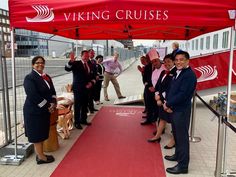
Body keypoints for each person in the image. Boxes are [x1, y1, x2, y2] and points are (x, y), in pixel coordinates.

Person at [164, 51, 197, 175]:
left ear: (188, 61)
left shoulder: (189, 75)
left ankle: (183, 166)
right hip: (175, 109)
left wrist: (168, 104)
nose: (178, 62)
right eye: (177, 59)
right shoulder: (179, 72)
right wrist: (168, 102)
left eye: (181, 59)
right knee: (177, 135)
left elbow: (182, 95)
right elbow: (173, 90)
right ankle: (177, 155)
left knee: (182, 138)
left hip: (181, 111)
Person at [23, 56, 57, 165]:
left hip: (43, 111)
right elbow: (33, 96)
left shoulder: (46, 77)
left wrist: (53, 103)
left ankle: (40, 154)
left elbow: (52, 91)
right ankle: (41, 157)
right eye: (37, 63)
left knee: (41, 133)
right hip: (34, 111)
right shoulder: (29, 78)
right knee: (37, 135)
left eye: (42, 63)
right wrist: (48, 106)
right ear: (33, 65)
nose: (40, 64)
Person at [147, 54, 176, 149]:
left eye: (169, 61)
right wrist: (157, 96)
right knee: (162, 119)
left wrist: (166, 102)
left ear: (173, 62)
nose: (167, 63)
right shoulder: (163, 72)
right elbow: (158, 86)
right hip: (161, 100)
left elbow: (172, 89)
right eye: (165, 61)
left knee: (174, 122)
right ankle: (157, 136)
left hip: (170, 102)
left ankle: (174, 140)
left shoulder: (176, 73)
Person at [65, 50, 96, 129]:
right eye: (85, 56)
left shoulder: (90, 64)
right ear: (81, 56)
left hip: (87, 88)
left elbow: (93, 76)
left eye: (87, 56)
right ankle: (77, 122)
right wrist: (70, 62)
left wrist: (91, 83)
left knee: (85, 104)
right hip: (78, 88)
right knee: (78, 105)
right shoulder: (76, 63)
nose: (86, 57)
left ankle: (83, 119)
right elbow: (67, 69)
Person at [88, 49, 99, 113]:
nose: (93, 54)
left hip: (94, 81)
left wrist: (97, 75)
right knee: (88, 95)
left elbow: (95, 70)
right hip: (88, 81)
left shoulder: (94, 61)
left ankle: (92, 108)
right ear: (88, 54)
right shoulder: (86, 61)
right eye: (92, 53)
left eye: (94, 53)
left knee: (92, 94)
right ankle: (89, 108)